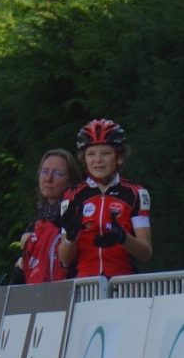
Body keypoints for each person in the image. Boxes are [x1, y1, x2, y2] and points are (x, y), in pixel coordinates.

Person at [57, 119, 153, 279]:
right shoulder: (72, 196)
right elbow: (64, 260)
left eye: (105, 153)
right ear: (84, 159)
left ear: (119, 157)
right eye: (91, 154)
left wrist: (123, 238)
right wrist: (70, 237)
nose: (98, 160)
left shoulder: (136, 193)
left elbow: (146, 254)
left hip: (124, 284)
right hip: (87, 286)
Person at [17, 149, 81, 284]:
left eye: (58, 174)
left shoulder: (73, 212)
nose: (48, 178)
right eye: (44, 172)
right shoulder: (39, 217)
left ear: (70, 181)